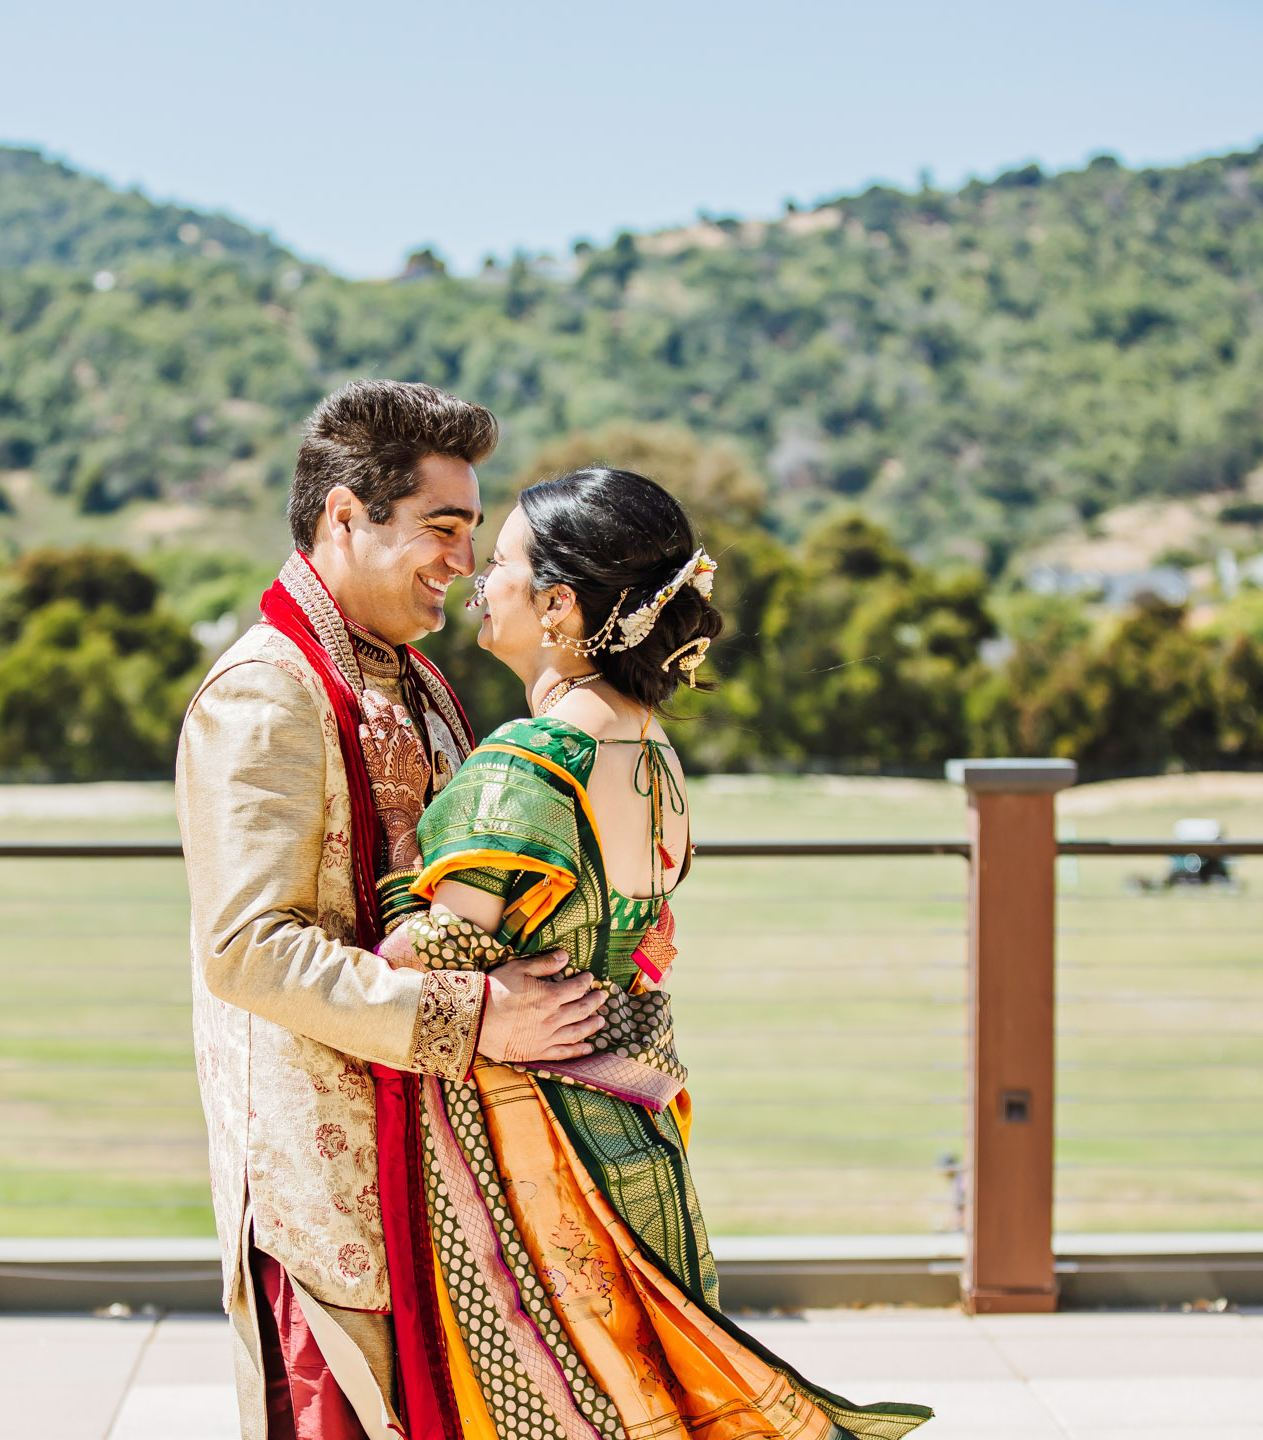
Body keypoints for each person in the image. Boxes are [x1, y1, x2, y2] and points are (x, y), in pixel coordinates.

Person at [364, 468, 932, 1439]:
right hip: (638, 1131)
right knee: (650, 1393)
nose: (475, 582)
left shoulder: (527, 765)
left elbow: (417, 961)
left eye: (498, 564)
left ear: (557, 607)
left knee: (551, 1402)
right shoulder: (652, 752)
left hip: (536, 1154)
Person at [177, 380, 610, 1440]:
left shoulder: (412, 678)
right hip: (331, 1213)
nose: (464, 562)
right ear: (343, 516)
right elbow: (247, 949)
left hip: (436, 1185)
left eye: (470, 531)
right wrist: (476, 1018)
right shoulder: (266, 690)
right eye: (442, 528)